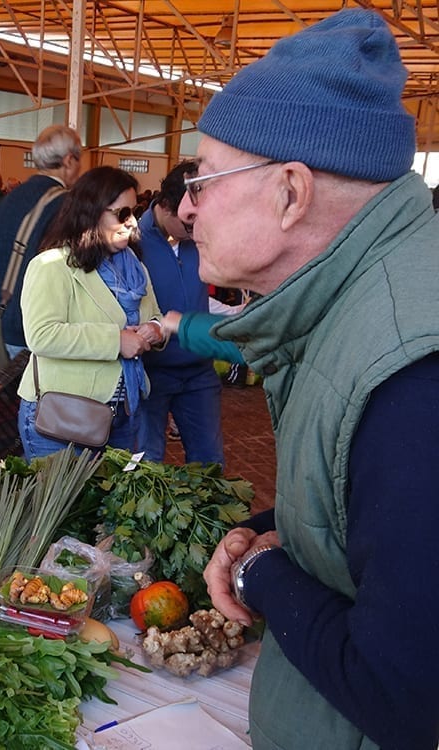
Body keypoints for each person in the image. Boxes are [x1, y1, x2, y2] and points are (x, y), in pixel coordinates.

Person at [157, 11, 439, 749]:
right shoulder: (359, 306)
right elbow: (381, 522)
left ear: (291, 192)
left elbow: (408, 697)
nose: (186, 206)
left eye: (204, 179)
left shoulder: (413, 371)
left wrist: (264, 576)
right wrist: (272, 529)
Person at [15, 166, 164, 460]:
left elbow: (155, 314)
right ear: (91, 212)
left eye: (135, 212)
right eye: (122, 214)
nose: (133, 223)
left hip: (125, 413)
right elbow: (41, 335)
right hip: (65, 418)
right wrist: (115, 341)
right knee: (68, 506)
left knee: (111, 504)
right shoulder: (51, 266)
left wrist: (156, 330)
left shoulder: (136, 268)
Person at [136, 161, 224, 466]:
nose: (194, 230)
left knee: (209, 462)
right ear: (164, 206)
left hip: (200, 372)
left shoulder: (200, 238)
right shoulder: (132, 243)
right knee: (147, 465)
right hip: (151, 374)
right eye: (187, 224)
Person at [0, 125, 83, 358]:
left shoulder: (9, 199)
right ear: (69, 161)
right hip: (39, 330)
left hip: (3, 320)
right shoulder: (64, 205)